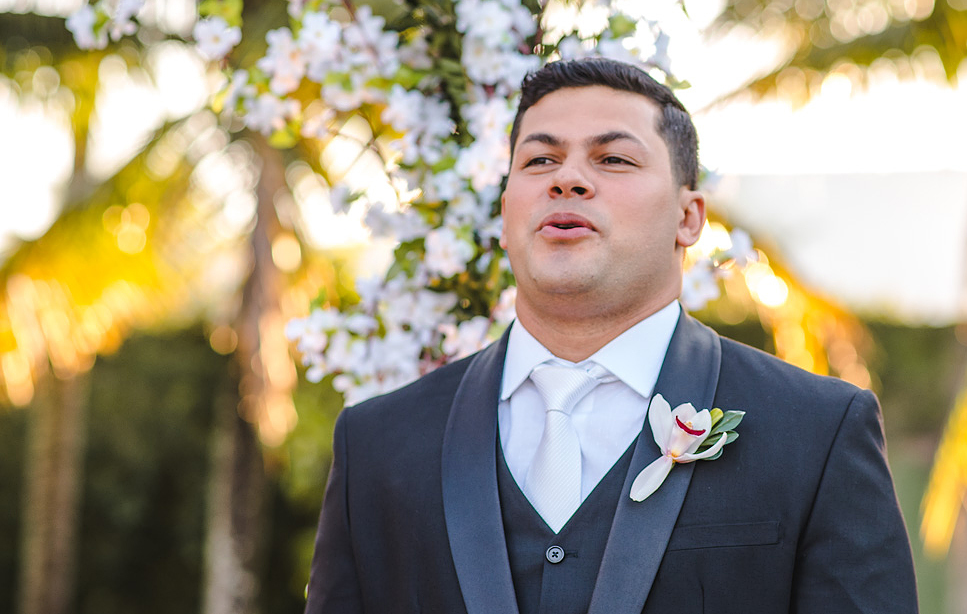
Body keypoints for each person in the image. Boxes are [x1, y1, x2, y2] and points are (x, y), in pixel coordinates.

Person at [305, 57, 919, 614]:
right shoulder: (377, 444)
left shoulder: (816, 431)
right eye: (540, 159)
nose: (566, 180)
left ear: (688, 217)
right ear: (504, 209)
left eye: (613, 159)